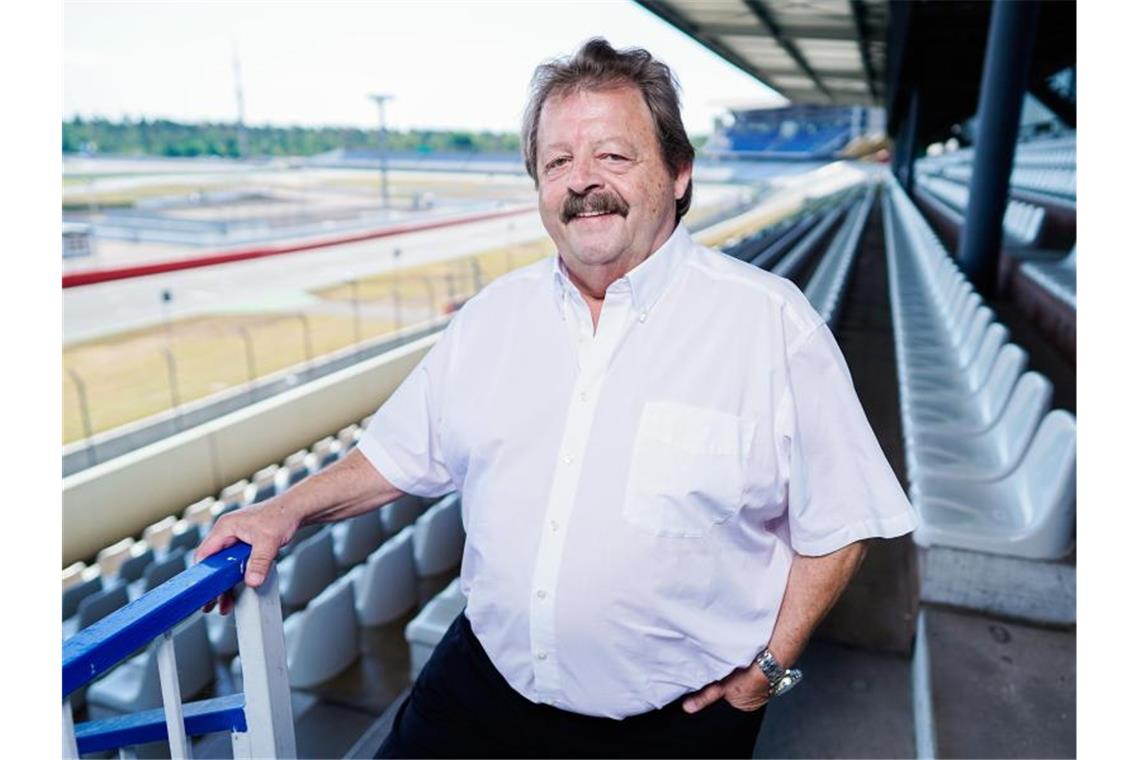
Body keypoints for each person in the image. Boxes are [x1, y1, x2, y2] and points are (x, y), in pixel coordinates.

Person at [196, 38, 917, 758]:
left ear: (679, 172)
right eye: (557, 162)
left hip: (669, 726)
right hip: (483, 682)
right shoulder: (491, 317)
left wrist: (767, 672)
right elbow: (396, 456)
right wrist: (284, 509)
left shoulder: (770, 324)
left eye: (613, 155)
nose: (582, 181)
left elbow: (842, 523)